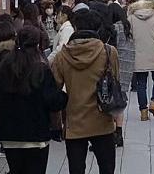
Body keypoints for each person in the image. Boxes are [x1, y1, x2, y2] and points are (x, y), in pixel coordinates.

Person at [0, 26, 67, 174]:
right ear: (38, 44)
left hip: (9, 135)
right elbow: (53, 101)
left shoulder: (5, 67)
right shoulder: (41, 69)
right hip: (36, 135)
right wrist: (64, 95)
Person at [51, 10, 119, 174]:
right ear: (98, 28)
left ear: (75, 27)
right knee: (107, 168)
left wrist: (56, 124)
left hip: (74, 121)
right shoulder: (109, 52)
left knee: (76, 169)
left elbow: (54, 92)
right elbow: (115, 82)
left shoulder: (61, 56)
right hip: (103, 120)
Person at [112, 17, 135, 147]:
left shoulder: (114, 29)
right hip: (126, 69)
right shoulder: (126, 28)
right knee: (119, 102)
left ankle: (113, 133)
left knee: (110, 102)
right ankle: (119, 133)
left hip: (114, 71)